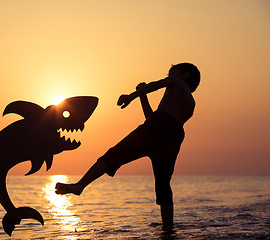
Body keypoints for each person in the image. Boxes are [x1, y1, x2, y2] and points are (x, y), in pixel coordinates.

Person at [55, 63, 200, 230]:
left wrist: (131, 96)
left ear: (185, 75)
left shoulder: (177, 83)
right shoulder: (190, 102)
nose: (169, 76)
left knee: (114, 155)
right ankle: (168, 228)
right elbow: (151, 118)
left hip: (158, 128)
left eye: (171, 73)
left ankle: (80, 185)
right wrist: (142, 97)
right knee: (163, 184)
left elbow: (156, 87)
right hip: (173, 137)